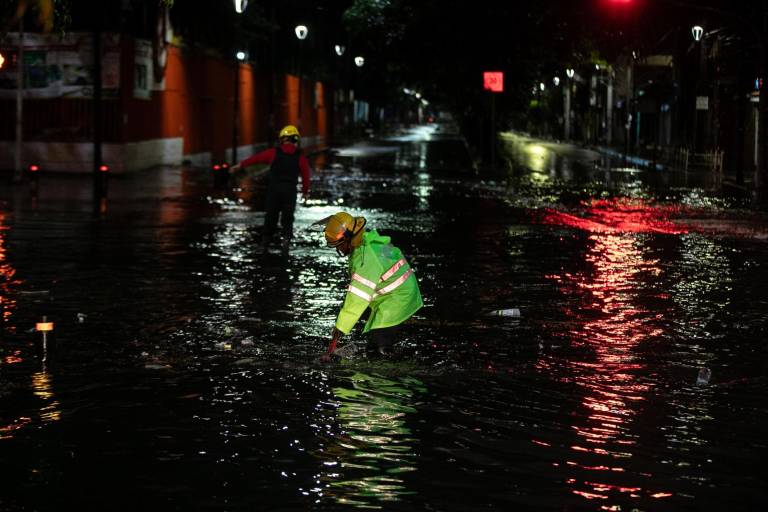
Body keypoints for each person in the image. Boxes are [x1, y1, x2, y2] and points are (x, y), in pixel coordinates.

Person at [319, 211, 423, 355]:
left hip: (398, 299)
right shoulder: (366, 242)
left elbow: (357, 298)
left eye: (339, 245)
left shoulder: (365, 261)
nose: (338, 249)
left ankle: (393, 368)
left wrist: (340, 327)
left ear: (349, 240)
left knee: (380, 349)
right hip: (398, 294)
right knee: (373, 346)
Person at [231, 125, 310, 252]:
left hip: (274, 191)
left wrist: (240, 165)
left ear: (283, 139)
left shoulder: (273, 152)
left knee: (271, 217)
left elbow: (256, 159)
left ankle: (265, 244)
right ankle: (285, 244)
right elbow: (306, 175)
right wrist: (305, 192)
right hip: (290, 192)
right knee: (288, 219)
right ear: (295, 140)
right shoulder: (300, 157)